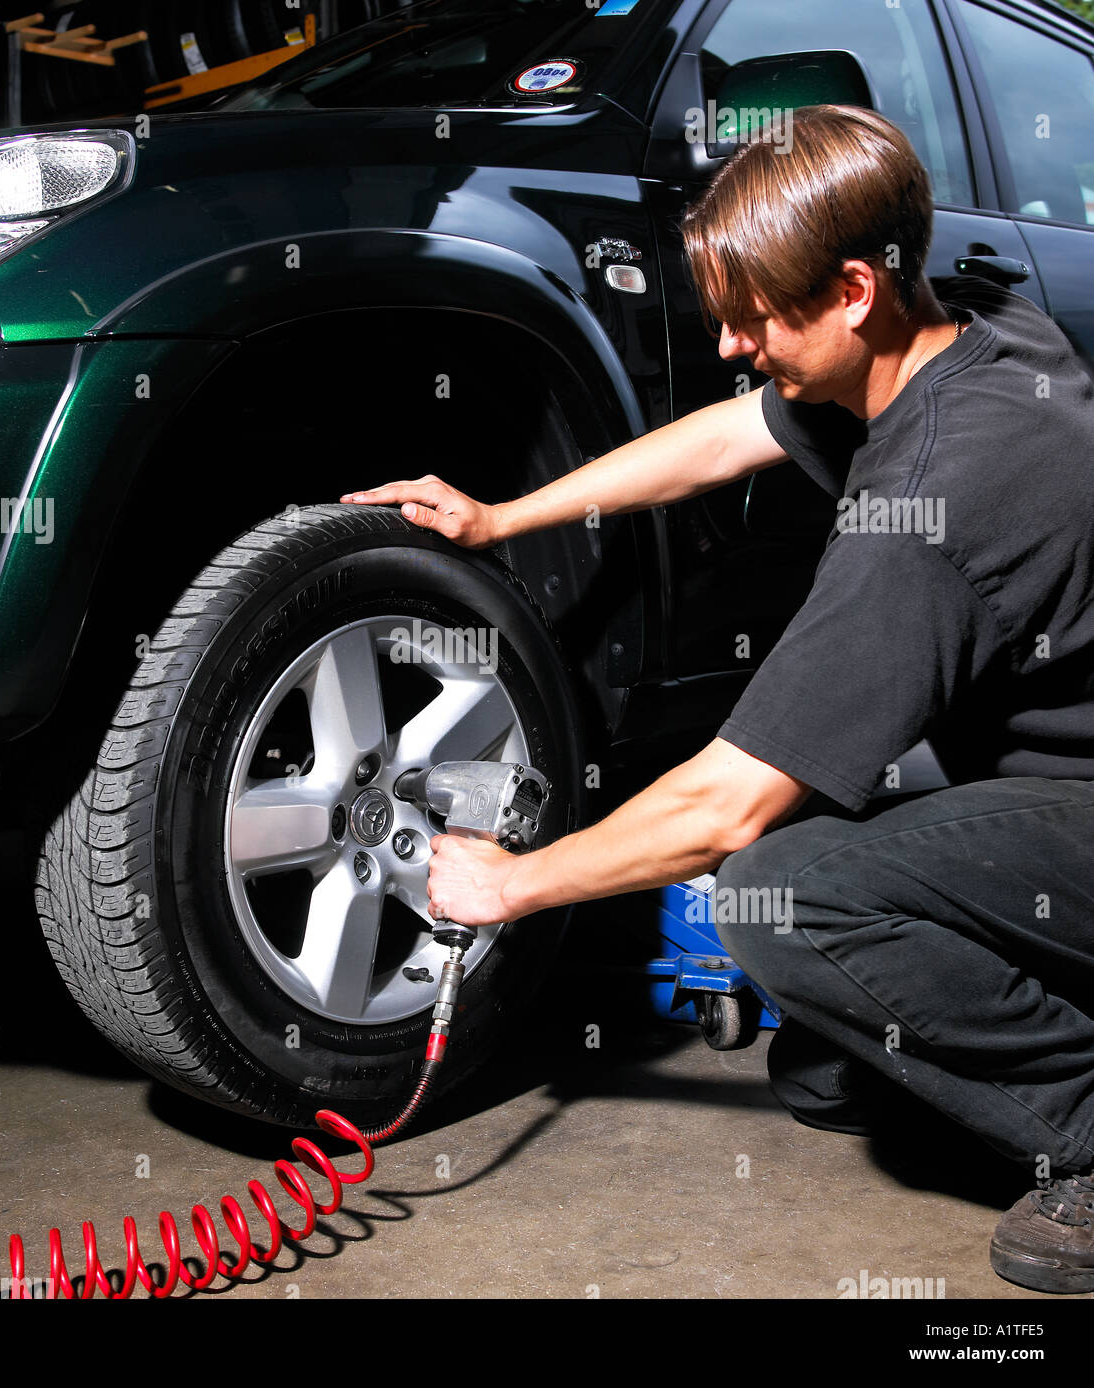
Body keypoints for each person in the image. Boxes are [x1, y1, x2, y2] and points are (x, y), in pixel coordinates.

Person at [341, 105, 1094, 1295]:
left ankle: (1083, 1123)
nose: (737, 344)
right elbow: (725, 434)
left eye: (755, 317)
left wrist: (511, 882)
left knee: (772, 889)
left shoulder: (939, 498)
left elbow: (725, 803)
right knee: (833, 987)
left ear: (853, 289)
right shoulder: (965, 325)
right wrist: (499, 515)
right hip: (1042, 759)